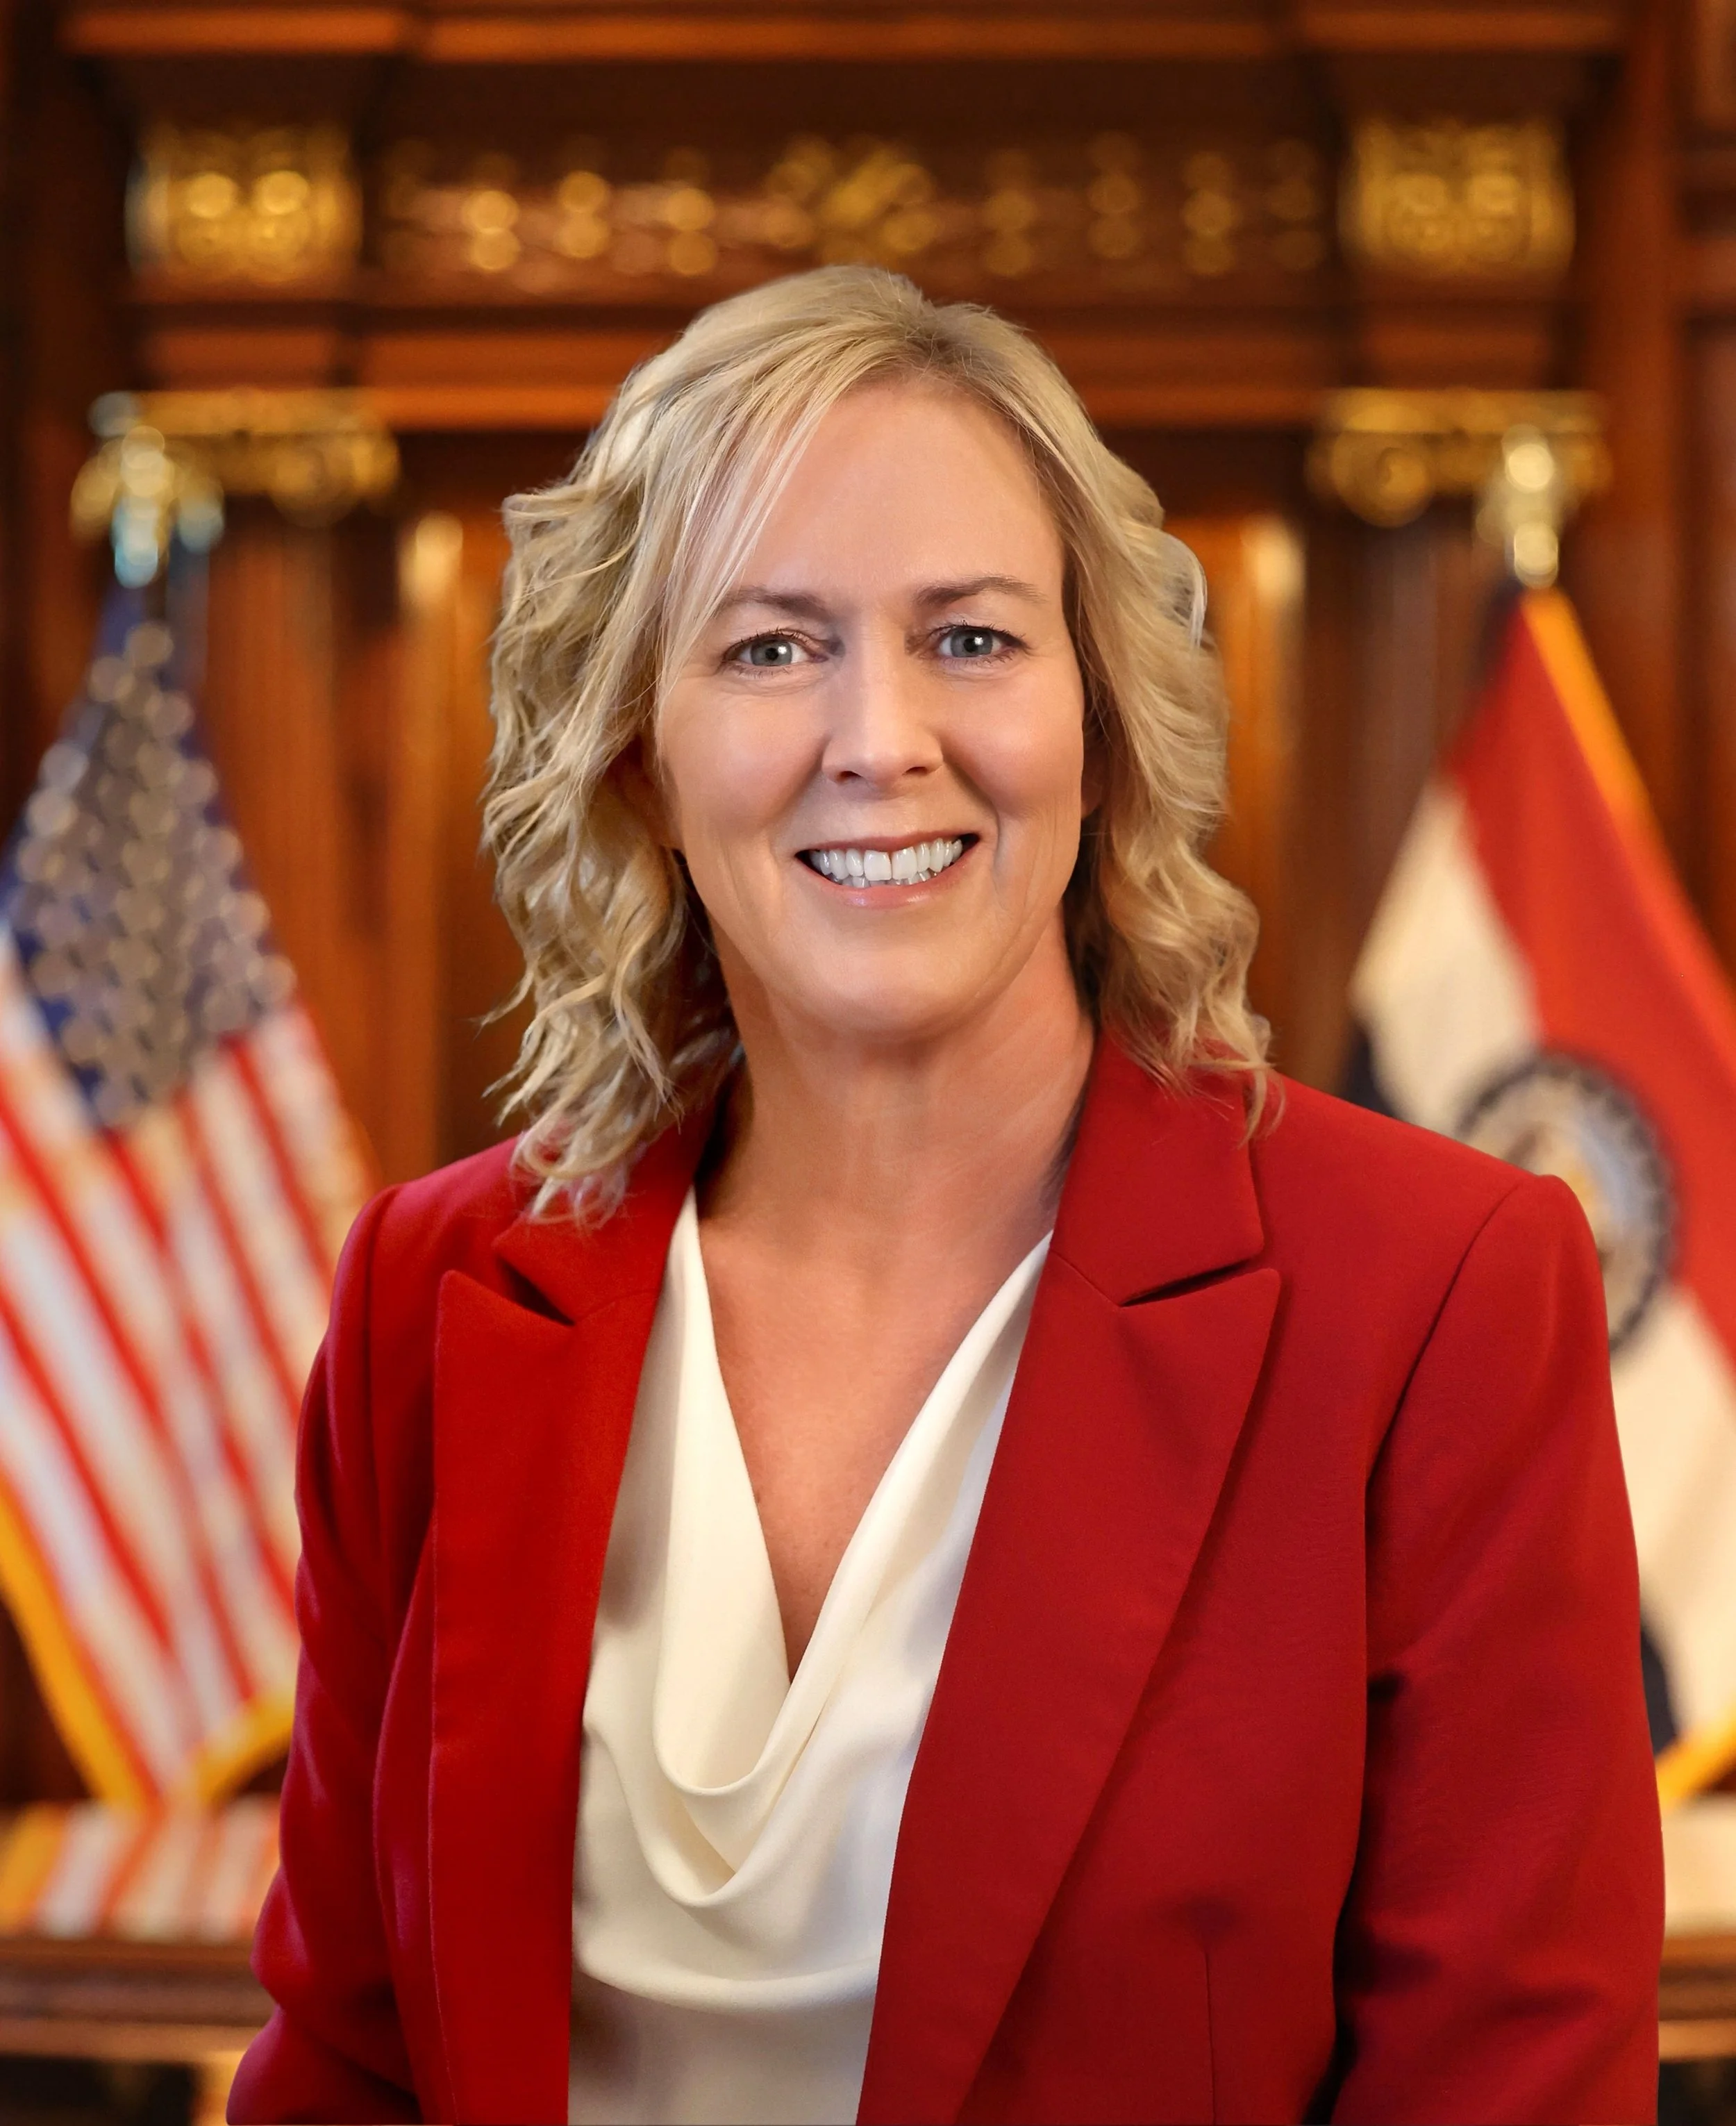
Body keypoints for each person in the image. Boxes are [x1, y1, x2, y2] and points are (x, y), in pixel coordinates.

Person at [228, 265, 1662, 2126]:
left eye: (970, 639)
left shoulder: (1434, 1291)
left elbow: (1514, 2089)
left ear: (1099, 722)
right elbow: (344, 2062)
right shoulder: (433, 1290)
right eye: (768, 647)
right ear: (643, 759)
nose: (880, 736)